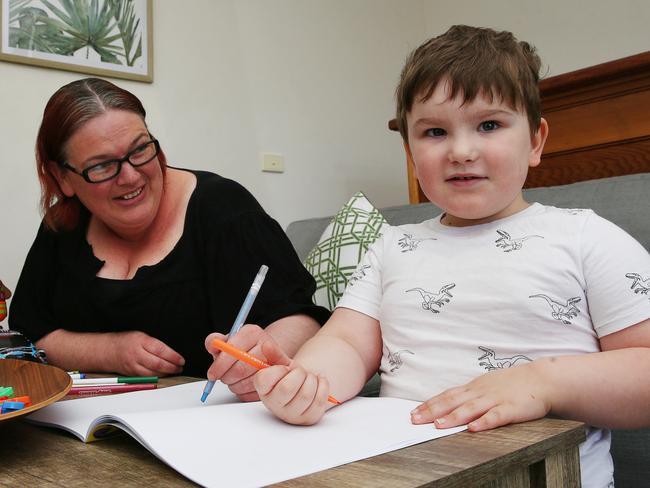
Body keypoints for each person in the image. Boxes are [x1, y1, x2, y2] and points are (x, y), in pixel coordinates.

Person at [251, 25, 650, 487]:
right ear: (410, 150)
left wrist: (544, 383)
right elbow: (345, 344)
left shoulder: (585, 236)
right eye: (435, 132)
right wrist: (306, 382)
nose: (461, 151)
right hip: (406, 473)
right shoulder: (392, 247)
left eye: (489, 125)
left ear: (536, 141)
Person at [10, 78, 329, 400]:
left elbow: (301, 319)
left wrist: (262, 356)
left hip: (213, 419)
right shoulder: (63, 225)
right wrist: (110, 351)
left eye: (140, 149)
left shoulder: (225, 208)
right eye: (103, 166)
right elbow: (28, 334)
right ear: (62, 177)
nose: (132, 176)